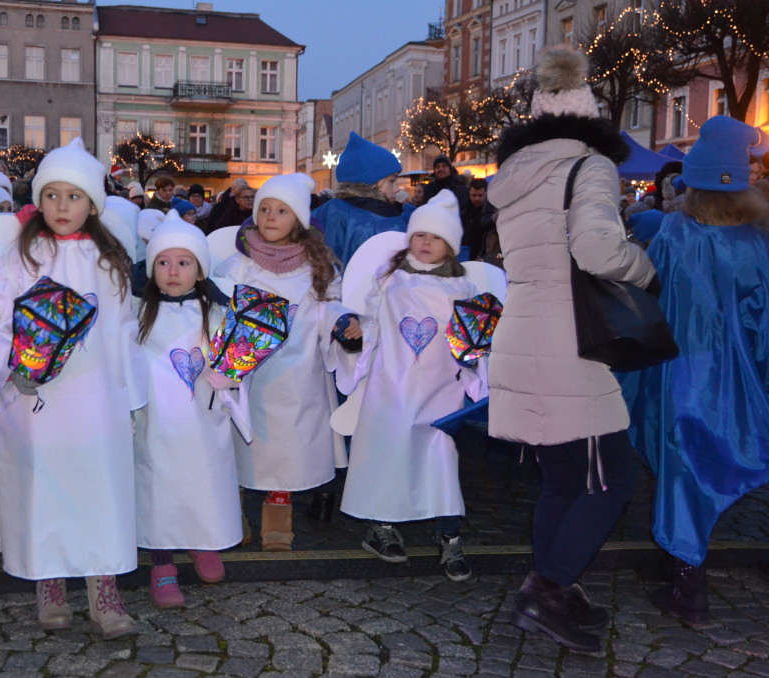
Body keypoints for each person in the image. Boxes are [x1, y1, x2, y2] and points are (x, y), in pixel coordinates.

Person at [486, 46, 656, 653]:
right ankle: (548, 588)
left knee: (563, 480)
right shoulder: (590, 168)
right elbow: (598, 251)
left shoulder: (514, 177)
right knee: (613, 477)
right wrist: (645, 265)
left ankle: (558, 585)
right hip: (570, 346)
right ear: (591, 119)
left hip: (523, 333)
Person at [0, 138, 145, 638]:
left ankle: (103, 588)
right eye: (52, 195)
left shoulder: (108, 262)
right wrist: (12, 367)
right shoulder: (21, 258)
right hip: (36, 401)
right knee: (43, 486)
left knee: (99, 490)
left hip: (96, 400)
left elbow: (122, 332)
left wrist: (129, 398)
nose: (62, 206)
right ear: (38, 199)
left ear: (92, 204)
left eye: (74, 196)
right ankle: (48, 581)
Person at [624, 116, 769, 625]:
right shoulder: (754, 243)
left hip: (676, 375)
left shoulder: (673, 234)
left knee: (679, 467)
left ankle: (689, 587)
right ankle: (682, 571)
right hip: (735, 377)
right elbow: (762, 320)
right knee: (701, 464)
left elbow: (649, 299)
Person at [338, 191, 486, 580]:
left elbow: (470, 342)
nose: (425, 242)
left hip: (440, 391)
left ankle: (449, 535)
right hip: (391, 386)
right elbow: (372, 319)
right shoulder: (390, 279)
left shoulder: (463, 290)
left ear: (450, 247)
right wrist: (359, 330)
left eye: (435, 238)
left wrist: (474, 367)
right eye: (419, 234)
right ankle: (383, 525)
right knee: (388, 452)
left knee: (439, 459)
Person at [212, 173, 361, 551]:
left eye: (281, 210)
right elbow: (219, 303)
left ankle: (279, 510)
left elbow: (327, 306)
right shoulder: (240, 263)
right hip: (248, 372)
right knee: (240, 442)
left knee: (287, 446)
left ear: (298, 219)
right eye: (264, 208)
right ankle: (235, 513)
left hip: (296, 374)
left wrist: (342, 322)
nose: (270, 217)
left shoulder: (315, 268)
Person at [133, 214, 241, 608]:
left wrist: (230, 373)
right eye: (163, 262)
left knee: (202, 481)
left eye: (184, 262)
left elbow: (235, 356)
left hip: (201, 420)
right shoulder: (138, 312)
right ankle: (161, 563)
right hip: (156, 422)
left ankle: (202, 540)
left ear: (199, 271)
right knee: (159, 488)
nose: (173, 271)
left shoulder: (214, 312)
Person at [311, 131, 408, 266]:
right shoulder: (383, 223)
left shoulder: (321, 214)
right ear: (370, 182)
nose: (397, 189)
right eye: (392, 181)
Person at [461, 178, 495, 260]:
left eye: (480, 195)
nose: (477, 199)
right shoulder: (464, 210)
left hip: (486, 255)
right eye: (473, 195)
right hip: (467, 253)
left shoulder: (491, 210)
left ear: (486, 194)